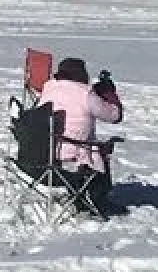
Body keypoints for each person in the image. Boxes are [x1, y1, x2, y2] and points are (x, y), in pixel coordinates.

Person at [36, 57, 123, 209]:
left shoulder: (49, 87)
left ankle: (81, 193)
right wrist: (109, 93)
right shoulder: (86, 94)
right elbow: (115, 116)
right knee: (102, 149)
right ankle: (96, 199)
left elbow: (69, 96)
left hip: (46, 154)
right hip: (75, 159)